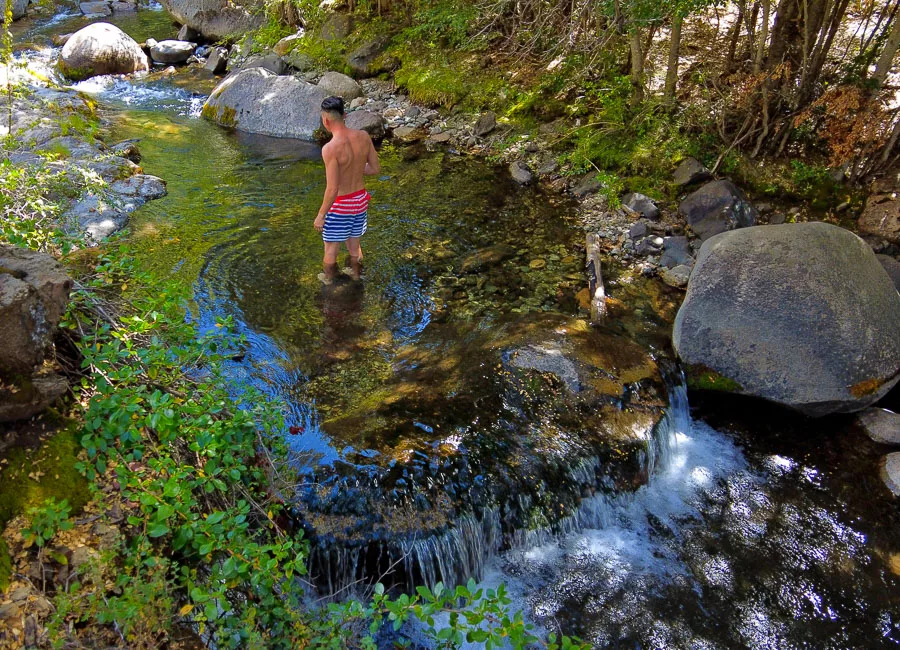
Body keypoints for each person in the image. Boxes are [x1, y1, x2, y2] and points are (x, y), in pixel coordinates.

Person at [314, 95, 381, 284]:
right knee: (354, 247)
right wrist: (356, 169)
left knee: (331, 250)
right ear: (345, 115)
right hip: (360, 200)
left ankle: (329, 282)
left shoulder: (330, 149)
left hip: (341, 205)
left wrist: (321, 215)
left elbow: (333, 188)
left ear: (326, 120)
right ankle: (357, 276)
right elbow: (375, 169)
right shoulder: (364, 136)